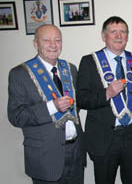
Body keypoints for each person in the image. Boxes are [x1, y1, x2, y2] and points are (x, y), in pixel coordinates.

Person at [7, 24, 85, 184]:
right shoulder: (20, 73)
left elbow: (77, 106)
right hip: (45, 157)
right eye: (47, 40)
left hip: (75, 152)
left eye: (57, 40)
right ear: (36, 44)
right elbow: (16, 116)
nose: (53, 45)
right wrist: (52, 107)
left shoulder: (70, 69)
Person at [77, 16, 132, 184]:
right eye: (113, 31)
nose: (118, 36)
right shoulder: (89, 61)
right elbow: (81, 99)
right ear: (103, 36)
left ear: (127, 37)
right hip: (104, 138)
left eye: (123, 32)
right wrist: (106, 93)